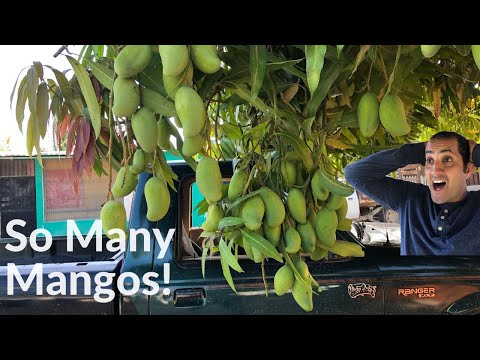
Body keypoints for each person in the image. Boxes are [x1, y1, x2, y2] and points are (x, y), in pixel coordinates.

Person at [344, 131, 480, 255]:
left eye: (447, 160)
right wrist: (416, 151)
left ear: (468, 170)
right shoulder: (410, 199)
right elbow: (355, 174)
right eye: (429, 160)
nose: (435, 171)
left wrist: (476, 153)